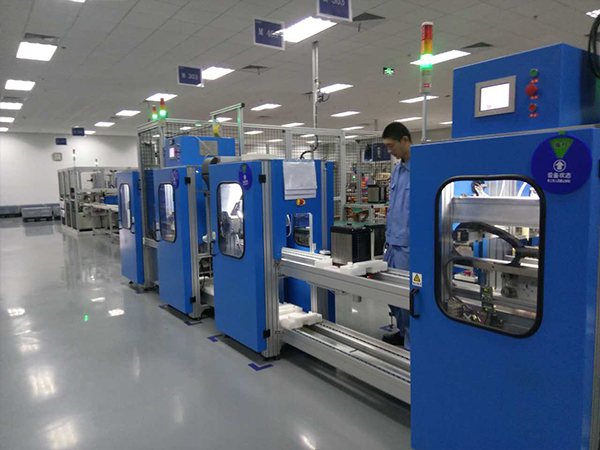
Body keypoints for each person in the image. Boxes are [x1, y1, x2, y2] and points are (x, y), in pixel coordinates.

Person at [381, 122, 411, 349]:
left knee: (408, 295)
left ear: (405, 140)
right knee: (388, 291)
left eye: (391, 145)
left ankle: (412, 341)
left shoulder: (422, 169)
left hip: (409, 244)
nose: (389, 150)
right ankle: (402, 330)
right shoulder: (397, 171)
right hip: (392, 242)